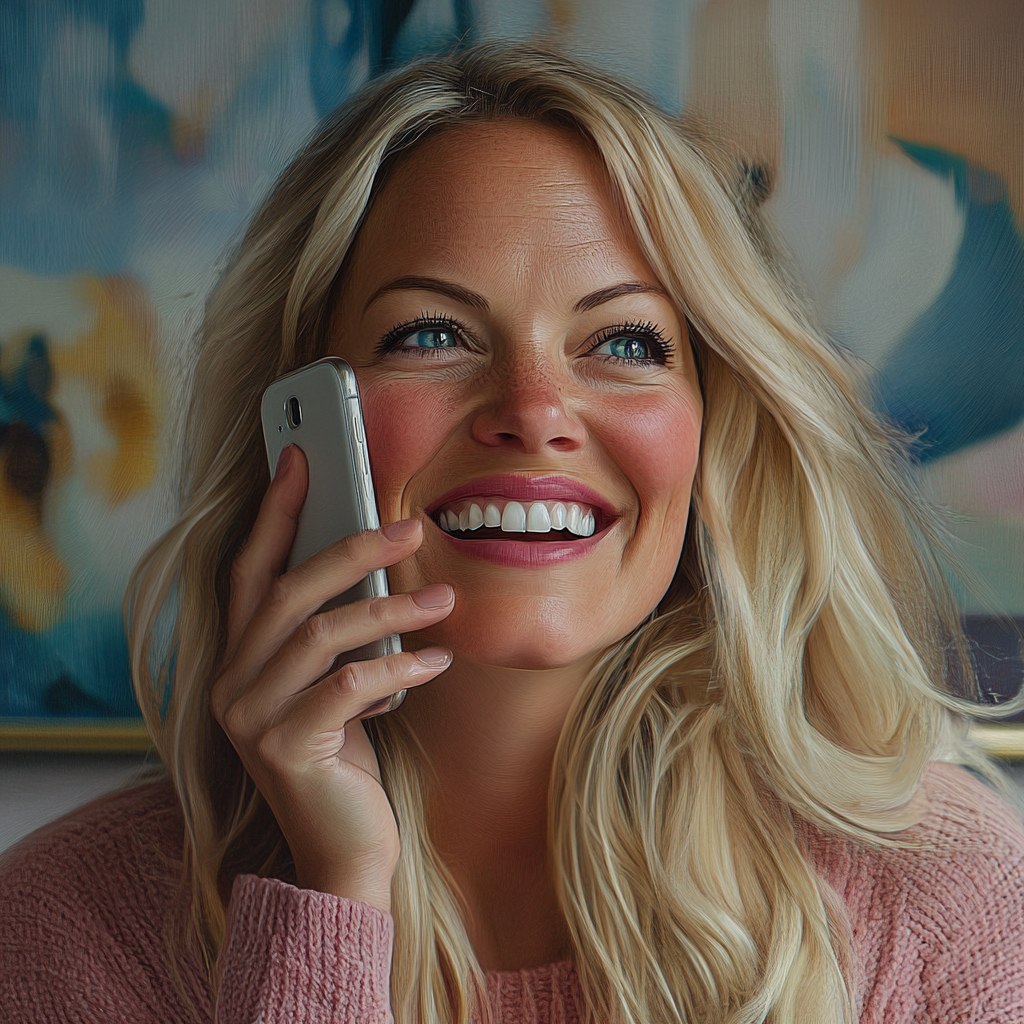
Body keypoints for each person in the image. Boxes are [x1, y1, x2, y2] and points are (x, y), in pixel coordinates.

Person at [2, 43, 1023, 1024]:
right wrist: (334, 903)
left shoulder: (947, 903)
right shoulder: (65, 932)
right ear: (300, 420)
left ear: (716, 425)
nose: (534, 409)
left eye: (624, 341)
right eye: (431, 334)